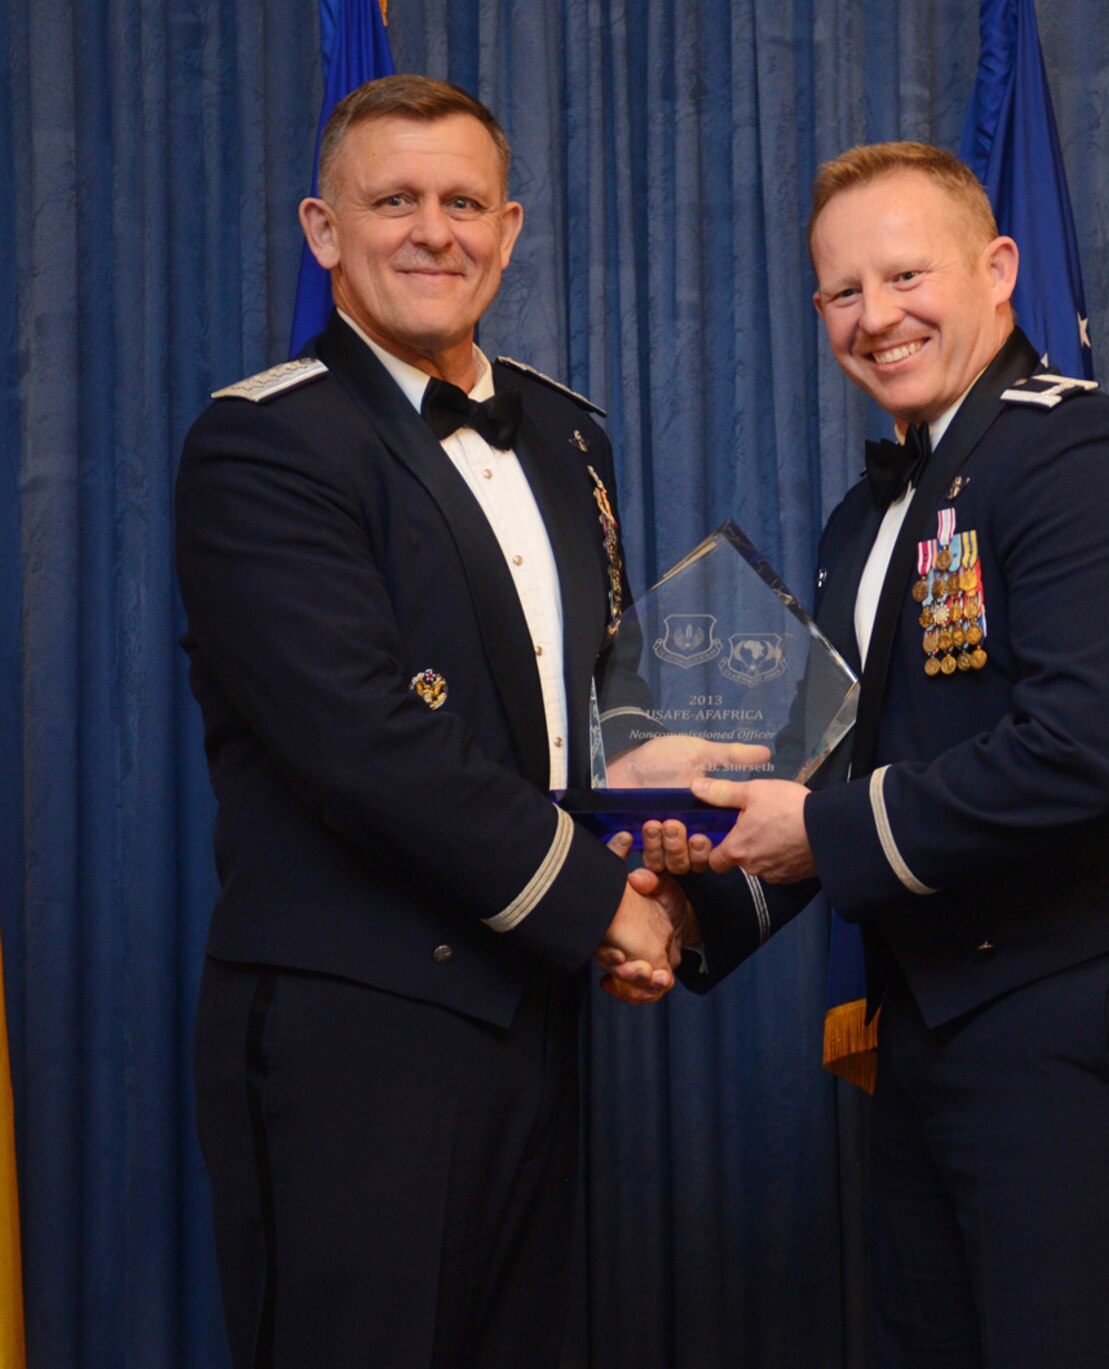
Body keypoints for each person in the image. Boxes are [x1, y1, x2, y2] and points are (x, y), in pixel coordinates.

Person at [649, 142, 1109, 1367]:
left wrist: (814, 830)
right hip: (932, 1021)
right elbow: (847, 771)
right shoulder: (862, 519)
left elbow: (1082, 753)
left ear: (998, 269)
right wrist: (683, 883)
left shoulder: (1080, 457)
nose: (876, 317)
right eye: (842, 291)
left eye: (905, 275)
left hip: (1080, 1013)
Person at [177, 74, 688, 1367]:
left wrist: (660, 848)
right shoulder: (263, 445)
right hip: (359, 1026)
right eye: (393, 200)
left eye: (463, 203)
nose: (432, 232)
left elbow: (591, 702)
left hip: (535, 1000)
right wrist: (599, 902)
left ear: (508, 231)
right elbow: (364, 743)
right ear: (323, 228)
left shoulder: (568, 432)